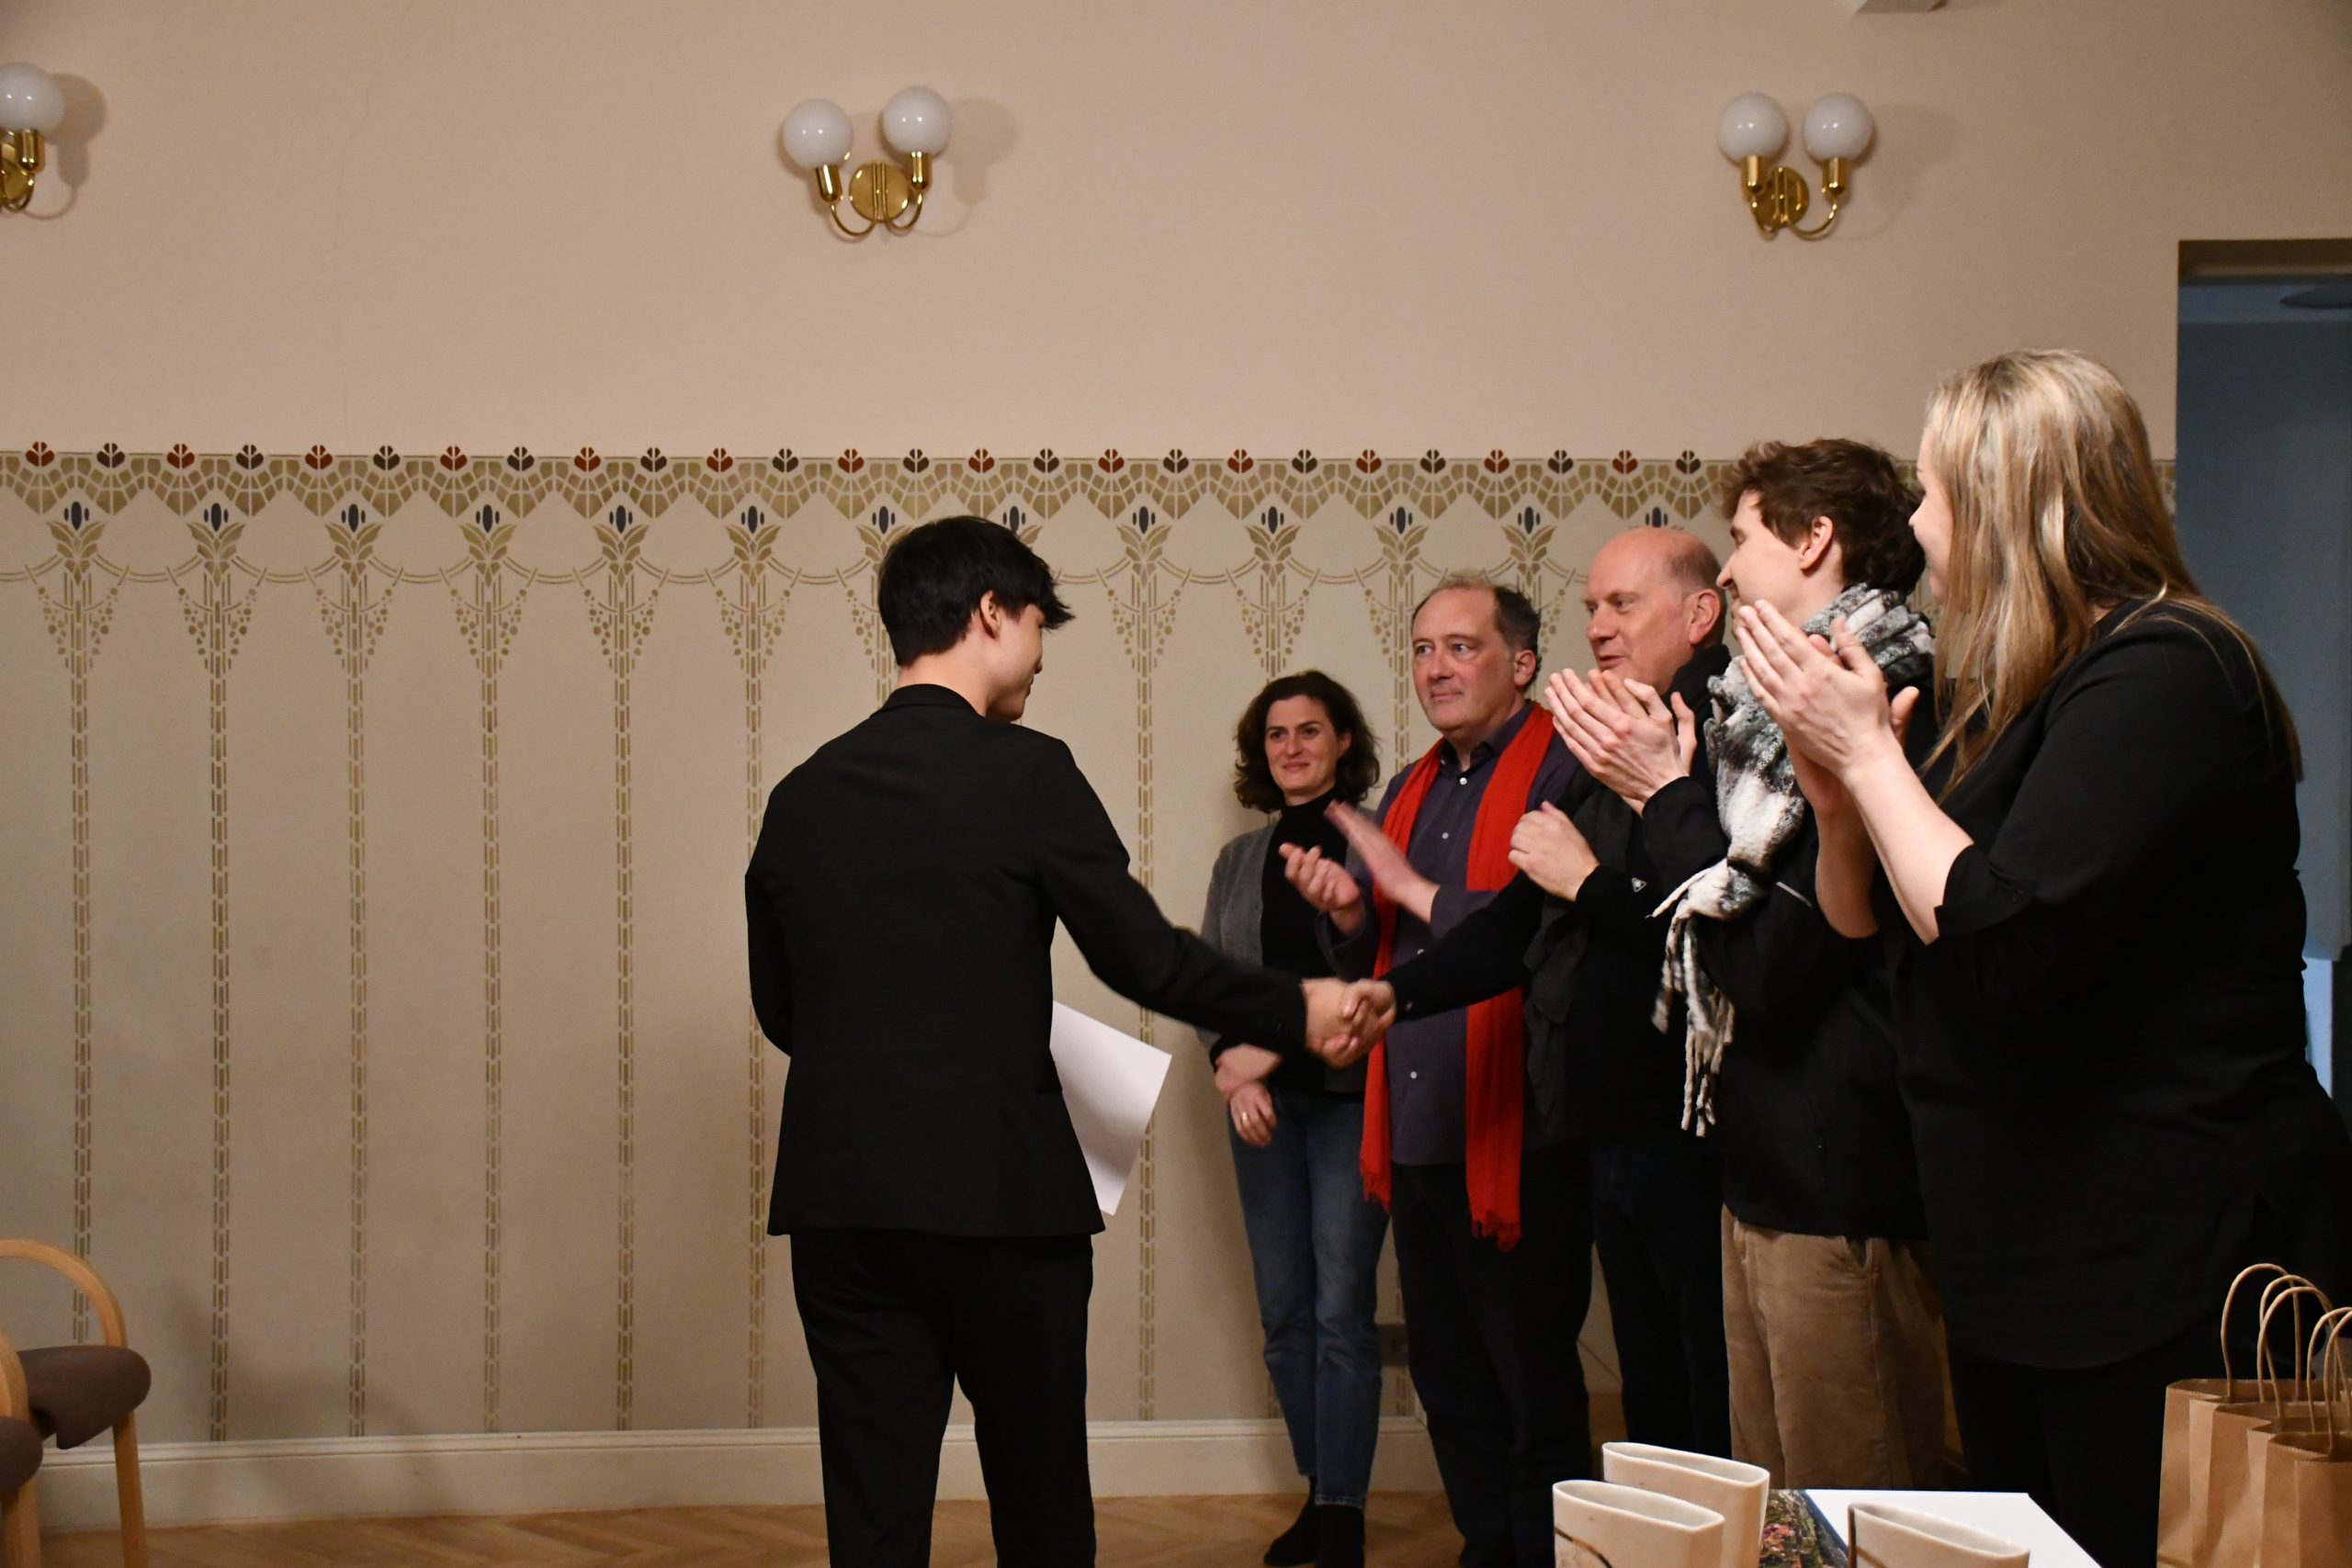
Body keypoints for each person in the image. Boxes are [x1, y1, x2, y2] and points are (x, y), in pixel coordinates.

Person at [1741, 350, 2352, 1567]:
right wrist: (1841, 800)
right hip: (2020, 1242)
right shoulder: (2006, 691)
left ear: (2002, 499)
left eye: (1931, 494)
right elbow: (1867, 926)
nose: (1916, 528)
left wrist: (1868, 759)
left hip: (2163, 1246)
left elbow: (2007, 941)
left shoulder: (2171, 668)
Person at [745, 516, 1362, 1568]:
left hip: (842, 1201)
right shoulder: (1028, 771)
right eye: (1038, 625)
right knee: (1039, 1507)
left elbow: (782, 1010)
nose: (1039, 655)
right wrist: (1297, 1008)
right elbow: (1144, 959)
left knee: (873, 1514)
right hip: (1003, 1199)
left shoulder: (800, 794)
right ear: (992, 613)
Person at [1552, 442, 1947, 1489]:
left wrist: (1660, 793)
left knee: (1851, 1508)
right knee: (1778, 1514)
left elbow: (1768, 963)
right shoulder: (1752, 715)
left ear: (1815, 539)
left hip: (1841, 1173)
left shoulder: (1876, 694)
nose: (1726, 571)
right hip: (1764, 1159)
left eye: (1742, 537)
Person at [1339, 530, 1739, 1477]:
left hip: (1692, 1132)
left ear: (1699, 614)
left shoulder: (1721, 729)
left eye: (1620, 605)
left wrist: (1588, 882)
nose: (1595, 627)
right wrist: (1388, 994)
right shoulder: (1612, 742)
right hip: (1612, 1126)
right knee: (1652, 1398)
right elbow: (1518, 925)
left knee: (1710, 1403)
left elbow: (1721, 929)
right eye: (1592, 607)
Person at [1282, 577, 1583, 1568]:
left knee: (1530, 1384)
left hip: (1519, 1130)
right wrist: (1347, 910)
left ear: (1521, 663)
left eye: (1461, 646)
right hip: (1415, 1131)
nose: (1436, 668)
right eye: (1421, 649)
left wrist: (1409, 888)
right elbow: (1385, 950)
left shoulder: (1565, 765)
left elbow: (1535, 933)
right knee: (1450, 1383)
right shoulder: (1411, 786)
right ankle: (1486, 1547)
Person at [1198, 670, 1387, 1568]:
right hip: (1264, 1115)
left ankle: (1343, 1512)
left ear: (1342, 741)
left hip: (1352, 1107)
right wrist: (1233, 1077)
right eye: (1276, 735)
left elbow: (1381, 973)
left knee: (1343, 1311)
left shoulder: (1378, 841)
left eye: (1309, 730)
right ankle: (1322, 1490)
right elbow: (1215, 986)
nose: (1291, 748)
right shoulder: (1239, 861)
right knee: (1285, 1314)